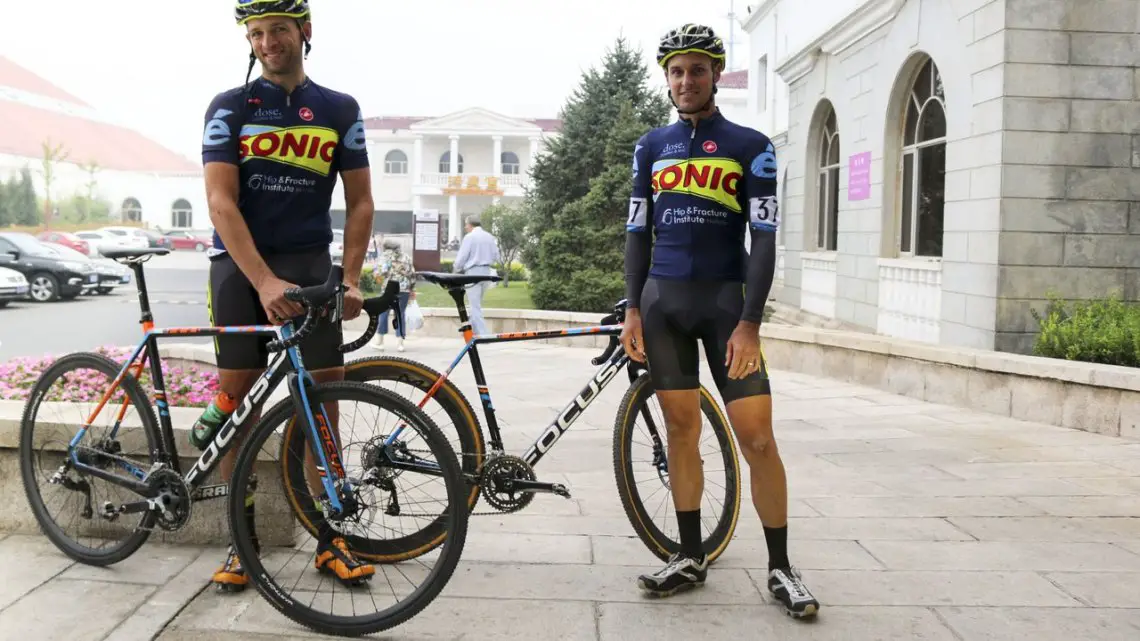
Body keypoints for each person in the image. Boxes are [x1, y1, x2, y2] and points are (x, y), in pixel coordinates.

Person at [619, 23, 820, 619]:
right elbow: (636, 232)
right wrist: (632, 307)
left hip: (727, 307)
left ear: (715, 76)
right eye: (676, 71)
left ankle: (782, 568)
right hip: (661, 307)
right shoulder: (650, 146)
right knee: (681, 433)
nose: (686, 81)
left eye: (697, 70)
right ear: (668, 78)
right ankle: (690, 555)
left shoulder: (751, 144)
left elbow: (764, 239)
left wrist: (751, 323)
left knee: (757, 437)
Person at [195, 0, 376, 593]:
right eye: (258, 33)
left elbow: (361, 202)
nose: (268, 42)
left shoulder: (338, 109)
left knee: (322, 404)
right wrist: (262, 281)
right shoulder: (229, 107)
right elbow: (221, 203)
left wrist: (349, 279)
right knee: (239, 407)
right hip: (239, 269)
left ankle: (331, 539)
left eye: (278, 30)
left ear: (305, 31)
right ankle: (239, 543)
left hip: (307, 264)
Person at [452, 215, 499, 336]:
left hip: (473, 272)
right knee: (476, 304)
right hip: (486, 272)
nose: (465, 227)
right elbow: (496, 256)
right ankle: (470, 331)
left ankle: (484, 335)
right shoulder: (489, 237)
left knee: (474, 306)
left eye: (466, 224)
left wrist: (456, 268)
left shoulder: (470, 237)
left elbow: (462, 257)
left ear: (470, 225)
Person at [370, 237, 416, 351]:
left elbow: (379, 272)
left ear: (386, 247)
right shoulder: (406, 257)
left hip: (388, 289)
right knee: (400, 314)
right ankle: (400, 344)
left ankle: (380, 342)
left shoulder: (384, 257)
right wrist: (411, 288)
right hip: (404, 289)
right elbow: (412, 274)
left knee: (383, 313)